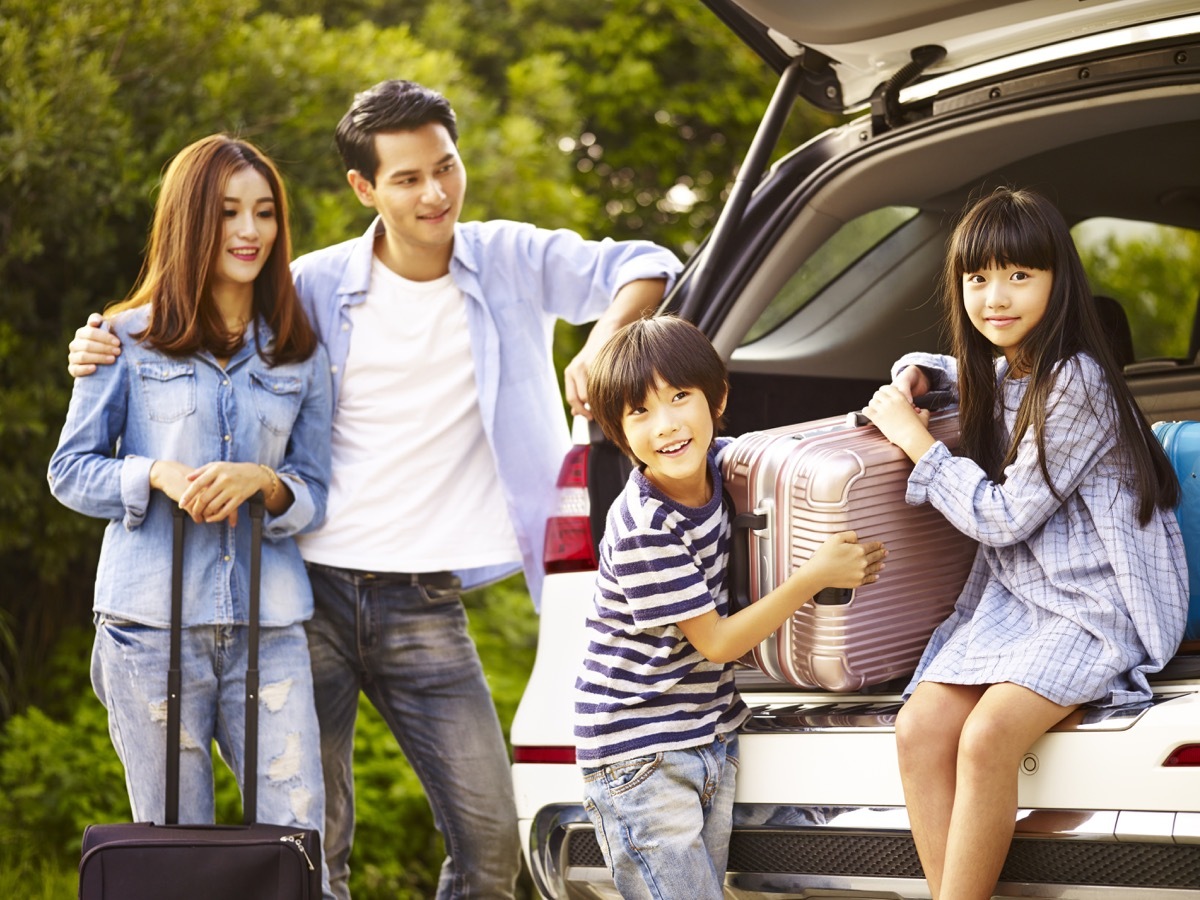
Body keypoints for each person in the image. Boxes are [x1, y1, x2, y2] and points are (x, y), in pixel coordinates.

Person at [68, 80, 682, 899]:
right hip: (305, 594)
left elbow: (648, 262)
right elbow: (187, 329)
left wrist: (605, 347)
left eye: (446, 167)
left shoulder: (510, 259)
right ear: (364, 188)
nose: (434, 193)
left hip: (426, 601)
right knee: (312, 846)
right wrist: (97, 343)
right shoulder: (312, 287)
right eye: (406, 177)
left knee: (493, 843)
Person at [861, 186, 1188, 900]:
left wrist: (918, 443)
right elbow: (963, 368)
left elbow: (1002, 520)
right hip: (1019, 600)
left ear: (1056, 281)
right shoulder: (1008, 369)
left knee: (985, 739)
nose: (995, 296)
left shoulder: (1079, 381)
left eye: (1019, 275)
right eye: (977, 279)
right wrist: (915, 374)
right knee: (919, 729)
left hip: (1092, 603)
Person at [47, 135, 335, 898]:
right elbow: (69, 472)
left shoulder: (300, 354)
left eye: (264, 213)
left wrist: (264, 483)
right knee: (177, 855)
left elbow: (314, 488)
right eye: (227, 212)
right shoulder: (123, 340)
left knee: (301, 838)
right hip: (147, 632)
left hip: (269, 631)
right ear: (189, 223)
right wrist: (157, 474)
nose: (249, 231)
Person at [575, 315, 887, 899]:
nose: (666, 425)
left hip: (708, 730)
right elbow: (716, 643)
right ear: (619, 429)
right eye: (640, 411)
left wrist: (893, 409)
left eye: (679, 397)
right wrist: (813, 577)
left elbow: (806, 450)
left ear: (717, 398)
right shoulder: (646, 525)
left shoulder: (727, 463)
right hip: (639, 753)